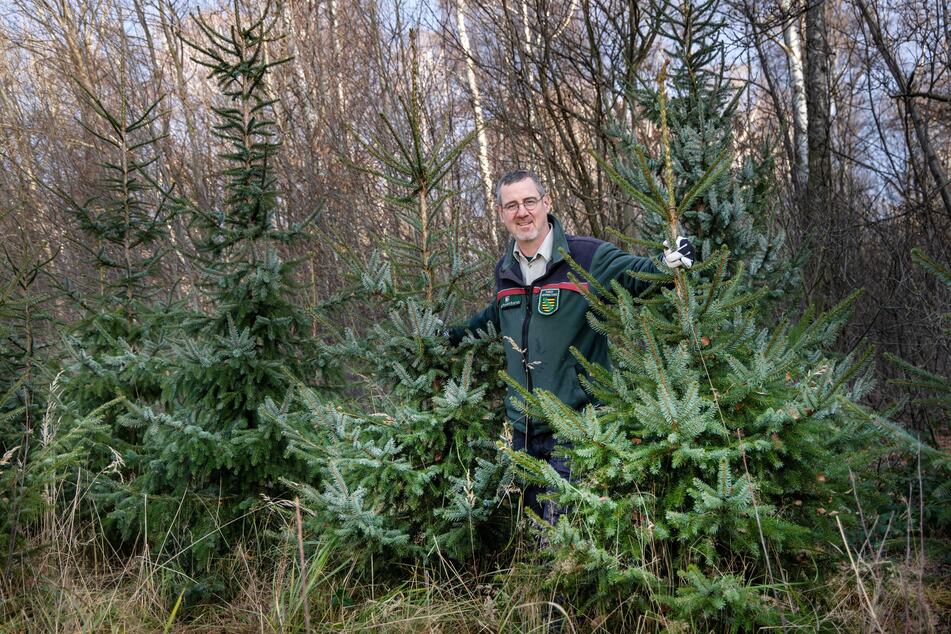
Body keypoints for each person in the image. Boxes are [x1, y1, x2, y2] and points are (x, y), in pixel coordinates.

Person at [450, 169, 694, 524]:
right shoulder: (505, 269)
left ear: (547, 202)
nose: (522, 212)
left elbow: (638, 276)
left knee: (565, 532)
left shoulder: (587, 256)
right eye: (512, 205)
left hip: (577, 426)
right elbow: (493, 318)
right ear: (501, 214)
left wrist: (669, 265)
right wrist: (445, 337)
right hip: (523, 431)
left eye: (530, 201)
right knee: (535, 532)